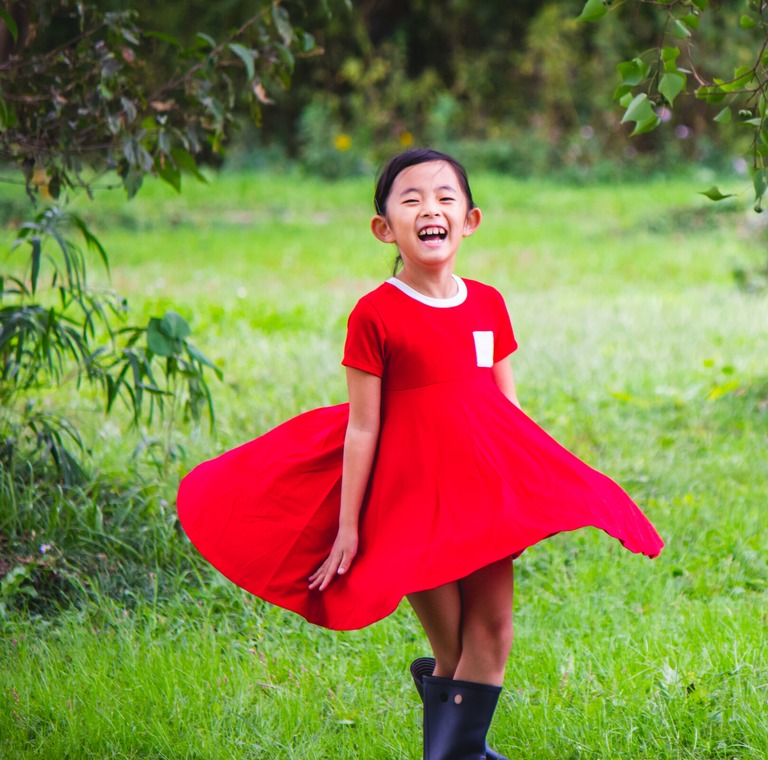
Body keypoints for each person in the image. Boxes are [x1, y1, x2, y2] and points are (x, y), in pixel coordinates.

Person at [177, 148, 665, 760]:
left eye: (444, 198)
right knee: (455, 648)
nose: (429, 209)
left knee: (493, 635)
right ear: (385, 228)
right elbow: (362, 429)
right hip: (410, 506)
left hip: (483, 499)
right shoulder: (376, 314)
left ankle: (459, 748)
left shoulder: (487, 303)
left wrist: (529, 493)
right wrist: (350, 527)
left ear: (470, 220)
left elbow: (508, 413)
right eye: (410, 200)